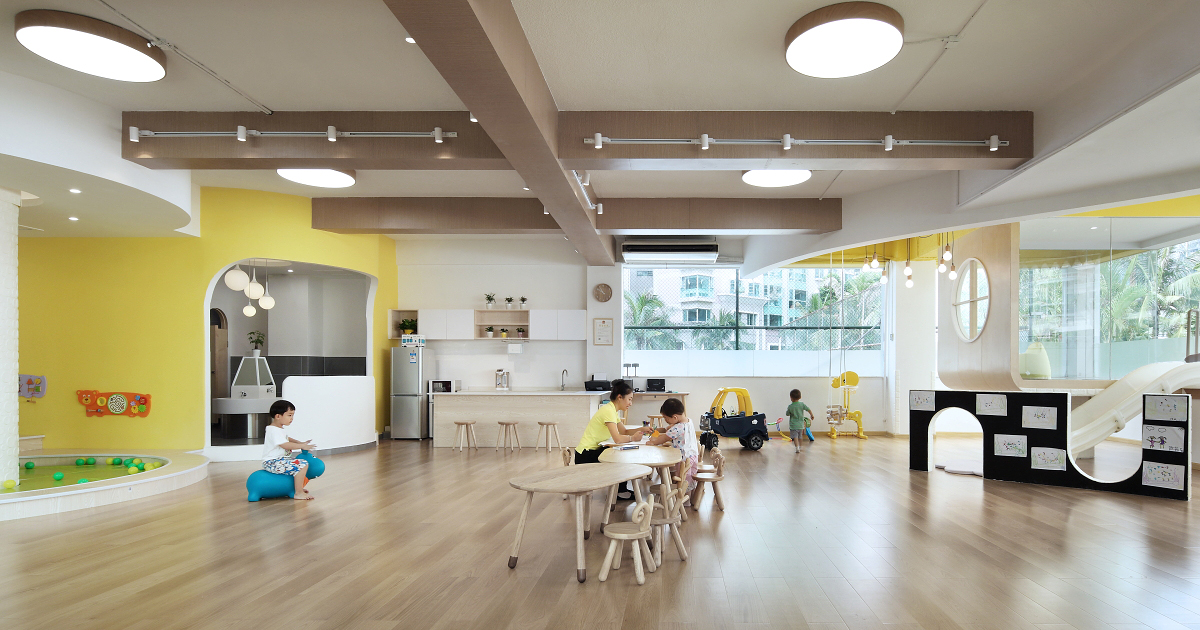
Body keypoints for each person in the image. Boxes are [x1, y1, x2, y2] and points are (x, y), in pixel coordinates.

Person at [576, 379, 644, 499]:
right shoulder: (608, 411)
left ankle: (620, 489)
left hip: (590, 451)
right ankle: (620, 491)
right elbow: (618, 439)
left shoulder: (612, 410)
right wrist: (633, 438)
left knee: (620, 452)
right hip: (585, 455)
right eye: (629, 399)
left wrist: (643, 429)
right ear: (619, 397)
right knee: (620, 454)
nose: (630, 403)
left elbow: (624, 431)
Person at [262, 399, 317, 500]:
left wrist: (300, 443)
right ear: (278, 416)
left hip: (279, 460)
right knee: (302, 465)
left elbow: (287, 439)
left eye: (292, 415)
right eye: (289, 415)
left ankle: (297, 488)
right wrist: (301, 446)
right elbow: (285, 444)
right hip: (272, 462)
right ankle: (299, 492)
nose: (292, 418)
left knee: (300, 462)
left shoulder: (278, 429)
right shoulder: (273, 430)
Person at [646, 397, 698, 501]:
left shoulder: (678, 428)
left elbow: (665, 437)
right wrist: (658, 430)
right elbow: (667, 429)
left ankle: (683, 501)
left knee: (683, 479)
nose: (665, 420)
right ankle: (689, 498)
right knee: (688, 478)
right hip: (692, 455)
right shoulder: (688, 421)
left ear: (674, 417)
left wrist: (653, 442)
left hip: (683, 458)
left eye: (665, 418)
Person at [786, 389, 815, 453]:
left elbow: (787, 414)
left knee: (795, 437)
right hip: (801, 425)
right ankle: (800, 446)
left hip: (793, 425)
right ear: (800, 397)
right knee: (800, 436)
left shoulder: (790, 406)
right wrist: (811, 415)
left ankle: (797, 448)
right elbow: (808, 409)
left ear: (791, 397)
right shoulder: (802, 404)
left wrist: (789, 411)